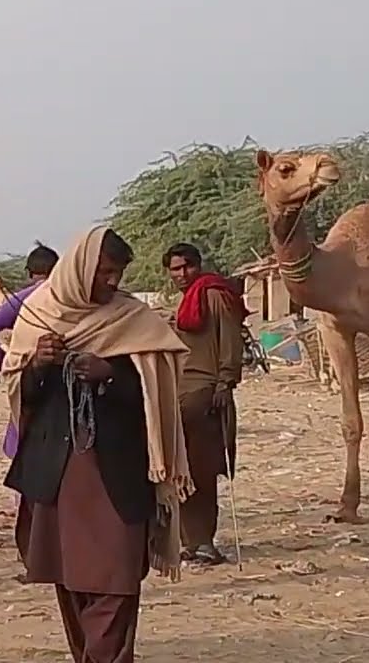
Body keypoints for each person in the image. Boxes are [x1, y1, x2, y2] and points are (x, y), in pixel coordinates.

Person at [3, 226, 191, 663]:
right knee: (69, 580)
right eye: (104, 272)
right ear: (79, 269)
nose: (112, 282)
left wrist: (111, 374)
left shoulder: (133, 319)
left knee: (117, 581)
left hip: (117, 473)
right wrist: (38, 365)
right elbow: (20, 395)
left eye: (117, 273)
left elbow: (159, 390)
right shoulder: (38, 315)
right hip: (56, 473)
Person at [163, 242, 245, 565]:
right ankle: (190, 541)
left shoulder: (213, 295)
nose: (182, 274)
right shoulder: (186, 301)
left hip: (207, 392)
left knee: (203, 470)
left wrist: (226, 380)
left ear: (199, 266)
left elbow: (230, 340)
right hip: (181, 395)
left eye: (188, 267)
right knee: (181, 472)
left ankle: (204, 542)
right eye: (175, 269)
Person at [0, 243, 59, 459]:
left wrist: (4, 365)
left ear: (30, 272)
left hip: (31, 375)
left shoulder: (24, 298)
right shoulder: (72, 298)